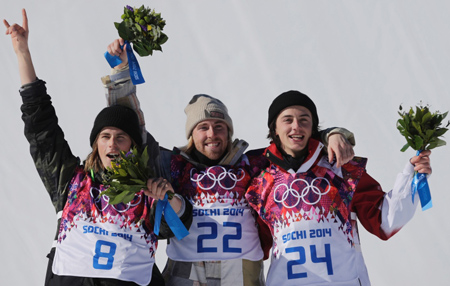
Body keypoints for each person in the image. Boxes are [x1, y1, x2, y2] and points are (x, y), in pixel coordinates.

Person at [102, 39, 357, 286]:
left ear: (229, 132)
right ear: (191, 134)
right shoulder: (173, 165)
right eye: (203, 127)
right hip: (187, 274)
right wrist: (121, 74)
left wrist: (332, 134)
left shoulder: (256, 164)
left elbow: (293, 138)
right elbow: (129, 129)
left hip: (242, 275)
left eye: (219, 126)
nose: (212, 134)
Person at [4, 9, 192, 286]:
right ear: (96, 144)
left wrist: (171, 199)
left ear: (133, 147)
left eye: (121, 137)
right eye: (105, 136)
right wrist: (22, 53)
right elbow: (40, 127)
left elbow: (177, 226)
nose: (112, 143)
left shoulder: (146, 189)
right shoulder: (70, 181)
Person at [245, 90, 432, 286]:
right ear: (274, 128)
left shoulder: (341, 168)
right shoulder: (258, 176)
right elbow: (254, 244)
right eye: (287, 119)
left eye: (304, 119)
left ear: (314, 128)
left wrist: (412, 177)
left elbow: (384, 220)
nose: (296, 126)